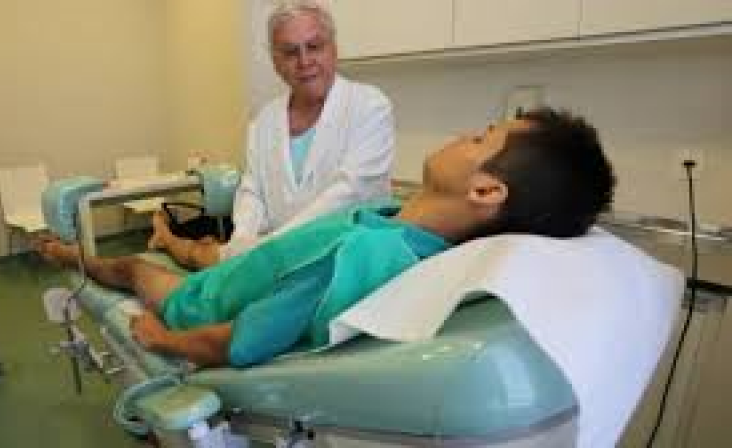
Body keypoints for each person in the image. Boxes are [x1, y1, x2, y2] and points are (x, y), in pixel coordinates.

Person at [37, 108, 615, 369]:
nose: (466, 133)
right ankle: (166, 239)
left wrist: (163, 339)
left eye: (483, 138)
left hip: (205, 303)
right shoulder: (396, 224)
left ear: (486, 191)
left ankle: (73, 254)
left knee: (135, 270)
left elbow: (242, 342)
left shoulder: (364, 254)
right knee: (199, 251)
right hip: (247, 269)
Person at [147, 0, 396, 269]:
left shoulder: (369, 107)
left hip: (348, 259)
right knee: (197, 268)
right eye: (290, 52)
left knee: (202, 264)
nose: (305, 61)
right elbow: (252, 190)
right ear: (276, 63)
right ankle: (166, 236)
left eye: (314, 46)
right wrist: (243, 238)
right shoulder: (264, 121)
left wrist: (268, 246)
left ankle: (165, 235)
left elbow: (348, 195)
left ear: (334, 50)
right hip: (273, 260)